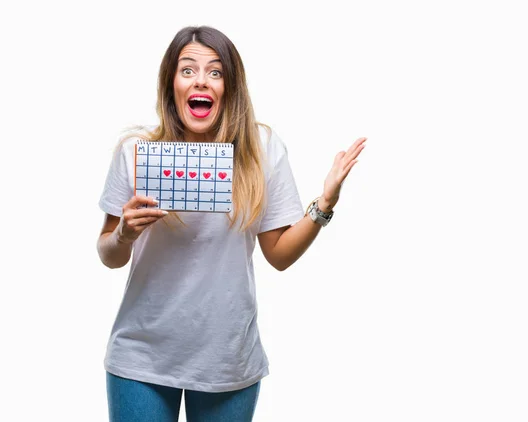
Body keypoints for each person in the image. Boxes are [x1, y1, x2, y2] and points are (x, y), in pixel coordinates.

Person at [97, 25, 366, 422]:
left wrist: (324, 204)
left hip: (227, 358)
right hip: (142, 357)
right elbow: (108, 254)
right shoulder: (136, 151)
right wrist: (124, 233)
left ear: (230, 86)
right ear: (170, 83)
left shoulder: (262, 150)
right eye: (187, 70)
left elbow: (279, 255)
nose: (201, 80)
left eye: (215, 72)